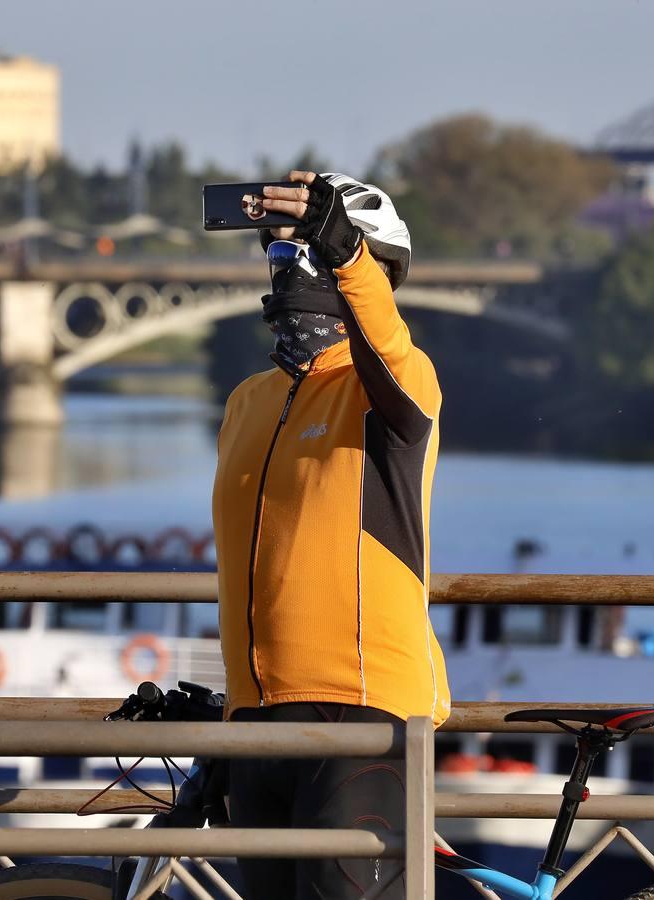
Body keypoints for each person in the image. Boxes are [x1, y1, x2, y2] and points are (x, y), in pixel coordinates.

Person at [212, 170, 451, 899]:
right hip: (256, 714)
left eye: (305, 254)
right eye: (276, 255)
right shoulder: (249, 401)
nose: (288, 273)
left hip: (361, 706)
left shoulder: (393, 388)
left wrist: (342, 246)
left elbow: (388, 346)